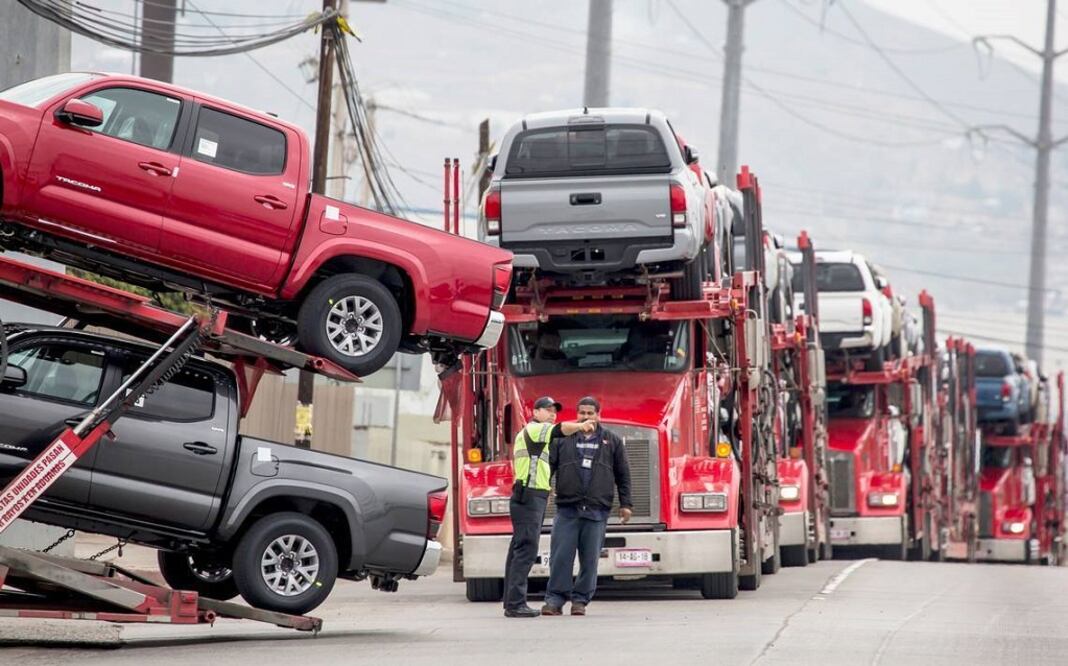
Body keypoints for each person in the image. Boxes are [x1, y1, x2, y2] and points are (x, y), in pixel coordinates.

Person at [503, 396, 596, 618]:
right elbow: (561, 429)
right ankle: (516, 604)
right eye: (547, 409)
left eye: (554, 410)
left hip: (531, 493)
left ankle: (512, 601)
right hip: (529, 496)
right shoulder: (536, 429)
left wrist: (546, 486)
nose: (552, 413)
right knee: (526, 549)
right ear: (535, 413)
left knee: (518, 548)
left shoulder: (535, 435)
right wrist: (582, 425)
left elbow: (538, 465)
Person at [543, 396, 631, 616]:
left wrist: (625, 504)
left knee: (590, 559)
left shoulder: (612, 441)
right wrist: (544, 489)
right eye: (582, 413)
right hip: (567, 509)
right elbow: (548, 466)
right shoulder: (562, 439)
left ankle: (580, 601)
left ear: (598, 415)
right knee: (560, 557)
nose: (585, 417)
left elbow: (623, 474)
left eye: (590, 413)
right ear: (577, 414)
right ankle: (554, 601)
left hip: (597, 510)